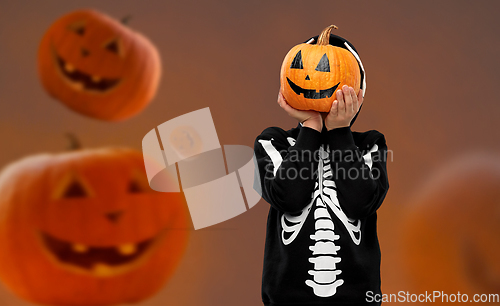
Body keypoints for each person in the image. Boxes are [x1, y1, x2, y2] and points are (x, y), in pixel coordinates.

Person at [253, 33, 389, 306]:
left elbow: (361, 202)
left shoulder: (370, 144)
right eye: (302, 66)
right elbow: (288, 197)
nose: (310, 78)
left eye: (327, 69)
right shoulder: (273, 142)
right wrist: (312, 126)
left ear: (357, 89)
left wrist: (339, 131)